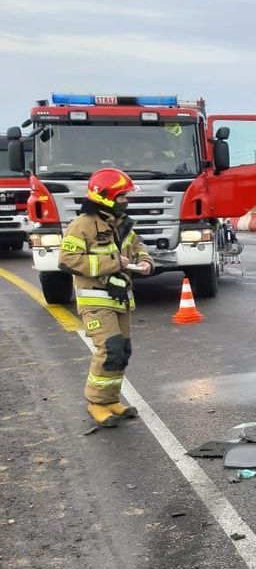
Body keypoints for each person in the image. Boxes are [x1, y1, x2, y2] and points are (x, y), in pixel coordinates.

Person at [58, 168, 153, 427]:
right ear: (106, 197)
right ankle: (96, 403)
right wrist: (112, 262)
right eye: (122, 196)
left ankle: (111, 399)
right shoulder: (83, 225)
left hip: (119, 297)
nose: (126, 201)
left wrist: (146, 261)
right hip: (95, 300)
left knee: (122, 351)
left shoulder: (122, 224)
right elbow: (67, 260)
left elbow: (137, 247)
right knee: (109, 349)